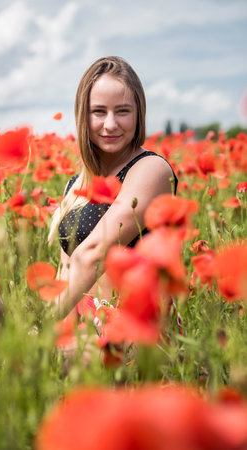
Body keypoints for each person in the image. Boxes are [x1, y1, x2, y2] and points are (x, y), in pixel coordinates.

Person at [48, 56, 177, 322]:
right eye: (99, 111)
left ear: (138, 114)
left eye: (122, 111)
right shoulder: (76, 185)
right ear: (83, 115)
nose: (110, 124)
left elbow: (92, 254)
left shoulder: (151, 169)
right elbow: (66, 270)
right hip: (85, 329)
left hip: (137, 328)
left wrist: (42, 328)